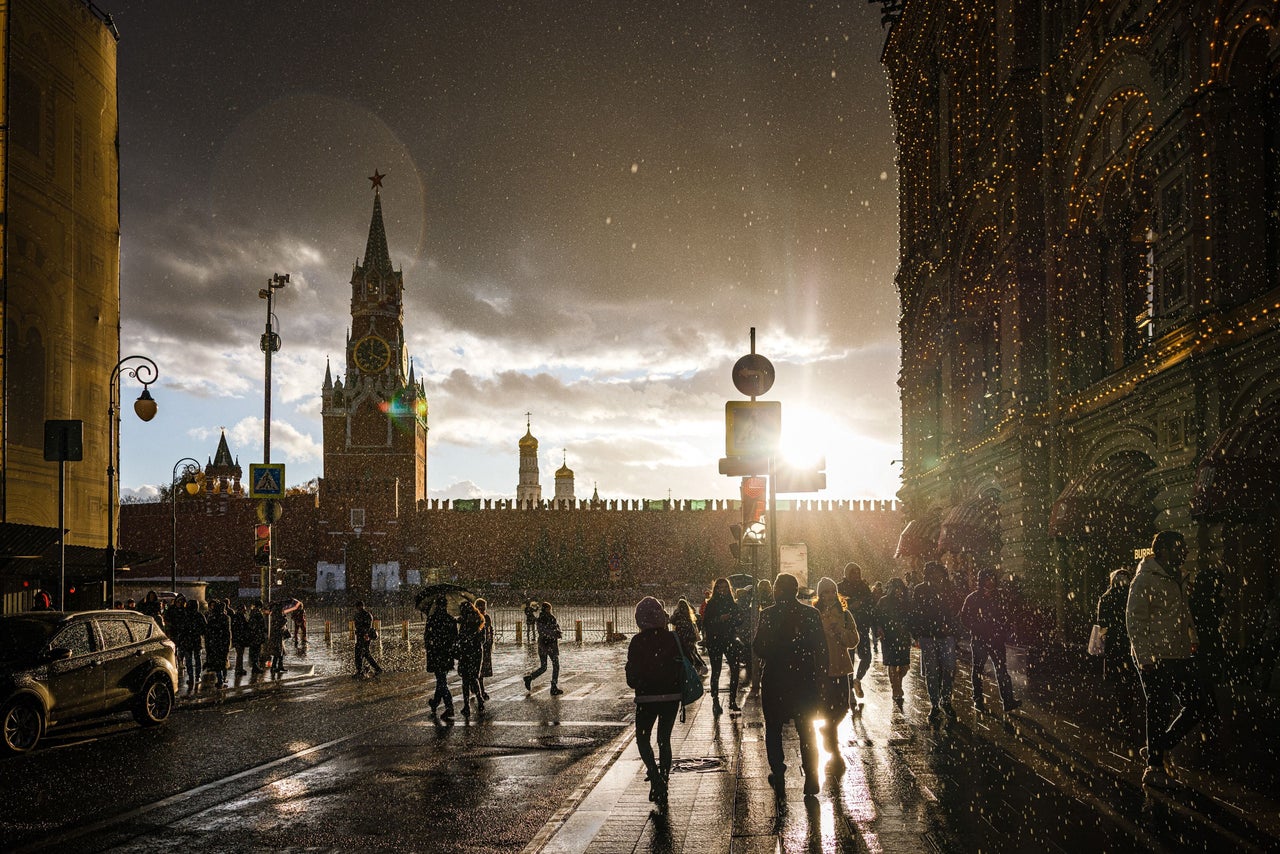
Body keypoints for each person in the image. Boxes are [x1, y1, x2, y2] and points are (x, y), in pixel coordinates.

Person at [1127, 530, 1215, 788]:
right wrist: (1145, 657)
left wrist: (1192, 640)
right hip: (1155, 657)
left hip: (1179, 653)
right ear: (1163, 550)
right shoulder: (1144, 580)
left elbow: (1183, 614)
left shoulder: (1177, 577)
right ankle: (1153, 768)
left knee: (1198, 703)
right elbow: (1135, 621)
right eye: (1179, 547)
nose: (1184, 551)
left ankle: (1159, 746)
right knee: (1159, 709)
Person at [754, 573, 827, 796]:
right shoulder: (810, 614)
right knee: (806, 730)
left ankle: (778, 770)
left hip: (776, 679)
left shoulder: (768, 615)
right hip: (803, 680)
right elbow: (821, 648)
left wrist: (776, 652)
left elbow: (758, 648)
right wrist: (821, 678)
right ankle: (812, 775)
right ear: (795, 591)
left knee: (774, 728)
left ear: (777, 590)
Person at [626, 596, 686, 811]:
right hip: (671, 697)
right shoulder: (672, 638)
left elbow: (631, 678)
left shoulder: (637, 641)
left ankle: (654, 776)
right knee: (664, 740)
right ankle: (664, 780)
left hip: (646, 698)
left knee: (643, 739)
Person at [813, 577, 860, 768]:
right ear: (820, 595)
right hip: (822, 668)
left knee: (843, 708)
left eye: (832, 591)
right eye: (825, 592)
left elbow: (853, 640)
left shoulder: (846, 614)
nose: (830, 596)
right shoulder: (814, 614)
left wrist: (840, 631)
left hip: (841, 667)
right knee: (826, 707)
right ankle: (835, 754)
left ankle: (828, 729)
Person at [960, 569, 1020, 713]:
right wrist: (978, 627)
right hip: (979, 639)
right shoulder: (973, 598)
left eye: (992, 579)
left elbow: (1007, 613)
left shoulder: (1000, 596)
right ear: (981, 581)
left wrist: (1003, 628)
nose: (990, 582)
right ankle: (978, 700)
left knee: (1001, 670)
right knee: (978, 670)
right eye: (987, 579)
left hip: (996, 639)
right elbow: (964, 618)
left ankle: (1008, 700)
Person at [911, 561, 958, 727]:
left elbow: (955, 610)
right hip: (928, 636)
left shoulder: (948, 589)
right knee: (932, 670)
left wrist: (951, 627)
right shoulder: (920, 590)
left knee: (949, 668)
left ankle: (946, 699)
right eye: (933, 573)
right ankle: (935, 703)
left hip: (946, 635)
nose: (936, 576)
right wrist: (916, 634)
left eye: (938, 572)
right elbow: (916, 613)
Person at [837, 562, 877, 705]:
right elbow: (838, 607)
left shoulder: (864, 587)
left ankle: (857, 680)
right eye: (853, 573)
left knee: (866, 657)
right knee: (848, 661)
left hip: (863, 628)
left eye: (858, 572)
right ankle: (849, 690)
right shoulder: (840, 588)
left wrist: (874, 624)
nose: (856, 575)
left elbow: (871, 606)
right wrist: (853, 605)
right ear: (847, 574)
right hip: (847, 629)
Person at [702, 578, 742, 714]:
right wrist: (720, 619)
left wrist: (736, 618)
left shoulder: (732, 603)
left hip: (729, 639)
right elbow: (706, 623)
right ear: (716, 589)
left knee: (735, 669)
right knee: (716, 670)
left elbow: (738, 620)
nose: (723, 590)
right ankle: (715, 700)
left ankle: (732, 699)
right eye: (720, 588)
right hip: (716, 640)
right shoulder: (712, 604)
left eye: (725, 587)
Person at [875, 577, 913, 711]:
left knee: (904, 666)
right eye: (895, 589)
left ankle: (898, 683)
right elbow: (876, 617)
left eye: (900, 589)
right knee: (892, 663)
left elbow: (911, 618)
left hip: (903, 637)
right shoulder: (884, 601)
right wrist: (879, 628)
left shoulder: (906, 602)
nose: (898, 591)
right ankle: (895, 688)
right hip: (889, 636)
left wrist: (913, 633)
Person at [424, 597, 459, 719]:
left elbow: (427, 638)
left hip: (436, 654)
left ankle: (449, 707)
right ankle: (435, 702)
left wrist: (431, 646)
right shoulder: (450, 619)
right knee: (441, 679)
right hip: (446, 654)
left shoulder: (432, 619)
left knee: (441, 681)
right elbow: (455, 638)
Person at [1096, 569, 1134, 681]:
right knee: (1129, 668)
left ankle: (1115, 684)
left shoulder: (1106, 597)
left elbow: (1102, 621)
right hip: (1129, 635)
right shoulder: (1131, 596)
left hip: (1112, 637)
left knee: (1113, 667)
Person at [524, 602, 564, 695]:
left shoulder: (540, 618)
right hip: (550, 644)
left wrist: (555, 632)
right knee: (556, 665)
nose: (550, 610)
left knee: (544, 666)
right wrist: (556, 633)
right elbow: (552, 629)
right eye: (549, 609)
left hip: (542, 644)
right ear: (547, 609)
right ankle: (553, 686)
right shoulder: (550, 618)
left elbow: (542, 630)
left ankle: (530, 678)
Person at [457, 600, 486, 716]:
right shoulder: (479, 620)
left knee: (465, 680)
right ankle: (480, 701)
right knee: (474, 677)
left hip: (465, 652)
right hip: (477, 652)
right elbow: (482, 640)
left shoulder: (464, 623)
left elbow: (460, 638)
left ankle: (466, 705)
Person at [670, 598, 706, 676]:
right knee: (692, 651)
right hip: (690, 635)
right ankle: (700, 665)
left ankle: (695, 667)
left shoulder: (678, 614)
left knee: (687, 652)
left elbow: (672, 620)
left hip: (682, 636)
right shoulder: (688, 613)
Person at [178, 599, 206, 692]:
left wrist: (181, 639)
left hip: (187, 641)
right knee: (197, 659)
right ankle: (197, 677)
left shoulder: (185, 615)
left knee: (189, 660)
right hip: (196, 640)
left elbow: (181, 629)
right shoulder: (199, 615)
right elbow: (204, 628)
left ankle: (191, 678)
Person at [205, 601, 232, 687]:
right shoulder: (226, 618)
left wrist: (209, 643)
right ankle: (223, 677)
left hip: (214, 643)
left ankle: (220, 679)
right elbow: (227, 632)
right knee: (224, 660)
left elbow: (208, 633)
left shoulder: (211, 618)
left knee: (217, 663)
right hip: (223, 642)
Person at [352, 600, 382, 678]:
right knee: (364, 653)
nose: (358, 608)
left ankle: (361, 671)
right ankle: (373, 669)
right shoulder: (364, 615)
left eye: (358, 607)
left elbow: (367, 626)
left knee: (360, 653)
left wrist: (365, 634)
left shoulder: (365, 615)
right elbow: (360, 626)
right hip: (361, 636)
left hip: (363, 636)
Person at [476, 598, 495, 700]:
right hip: (479, 646)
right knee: (479, 671)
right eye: (480, 606)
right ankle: (481, 691)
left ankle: (478, 689)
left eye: (483, 606)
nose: (482, 608)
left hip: (485, 646)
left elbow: (490, 630)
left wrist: (490, 642)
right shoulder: (476, 617)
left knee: (481, 671)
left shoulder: (486, 617)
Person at [266, 602, 287, 676]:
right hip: (276, 636)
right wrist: (284, 620)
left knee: (280, 652)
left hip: (278, 636)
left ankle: (280, 666)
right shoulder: (277, 616)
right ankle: (274, 667)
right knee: (277, 652)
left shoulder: (276, 615)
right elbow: (278, 626)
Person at [247, 601, 269, 674]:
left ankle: (255, 666)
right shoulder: (257, 613)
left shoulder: (252, 613)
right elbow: (259, 625)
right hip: (257, 636)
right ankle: (255, 666)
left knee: (254, 651)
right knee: (256, 651)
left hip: (254, 636)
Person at [231, 603, 250, 676]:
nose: (245, 611)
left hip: (237, 638)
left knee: (239, 654)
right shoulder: (240, 617)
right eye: (244, 609)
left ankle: (239, 668)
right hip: (240, 639)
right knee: (240, 654)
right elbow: (245, 627)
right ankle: (239, 669)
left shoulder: (235, 617)